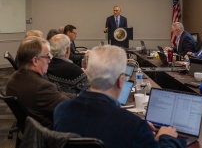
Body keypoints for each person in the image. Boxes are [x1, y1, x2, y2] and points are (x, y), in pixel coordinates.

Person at [54, 45, 185, 148]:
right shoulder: (133, 126)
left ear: (88, 75)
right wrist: (166, 138)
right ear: (121, 80)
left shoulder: (61, 110)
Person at [6, 36, 70, 128]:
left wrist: (78, 96)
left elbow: (58, 94)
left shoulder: (13, 79)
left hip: (32, 130)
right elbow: (70, 107)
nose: (49, 61)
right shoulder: (42, 87)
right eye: (47, 56)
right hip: (51, 134)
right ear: (35, 61)